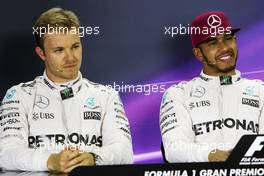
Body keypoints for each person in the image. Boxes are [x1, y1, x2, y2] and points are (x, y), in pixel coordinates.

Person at [0, 7, 133, 173]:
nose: (70, 57)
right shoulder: (19, 95)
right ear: (41, 53)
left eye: (75, 46)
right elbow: (6, 154)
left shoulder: (105, 95)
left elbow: (125, 152)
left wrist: (93, 158)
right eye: (59, 50)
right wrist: (51, 161)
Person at [160, 11, 264, 163]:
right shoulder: (178, 94)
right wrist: (211, 155)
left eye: (228, 38)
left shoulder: (260, 91)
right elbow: (174, 149)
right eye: (213, 43)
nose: (224, 48)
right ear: (198, 54)